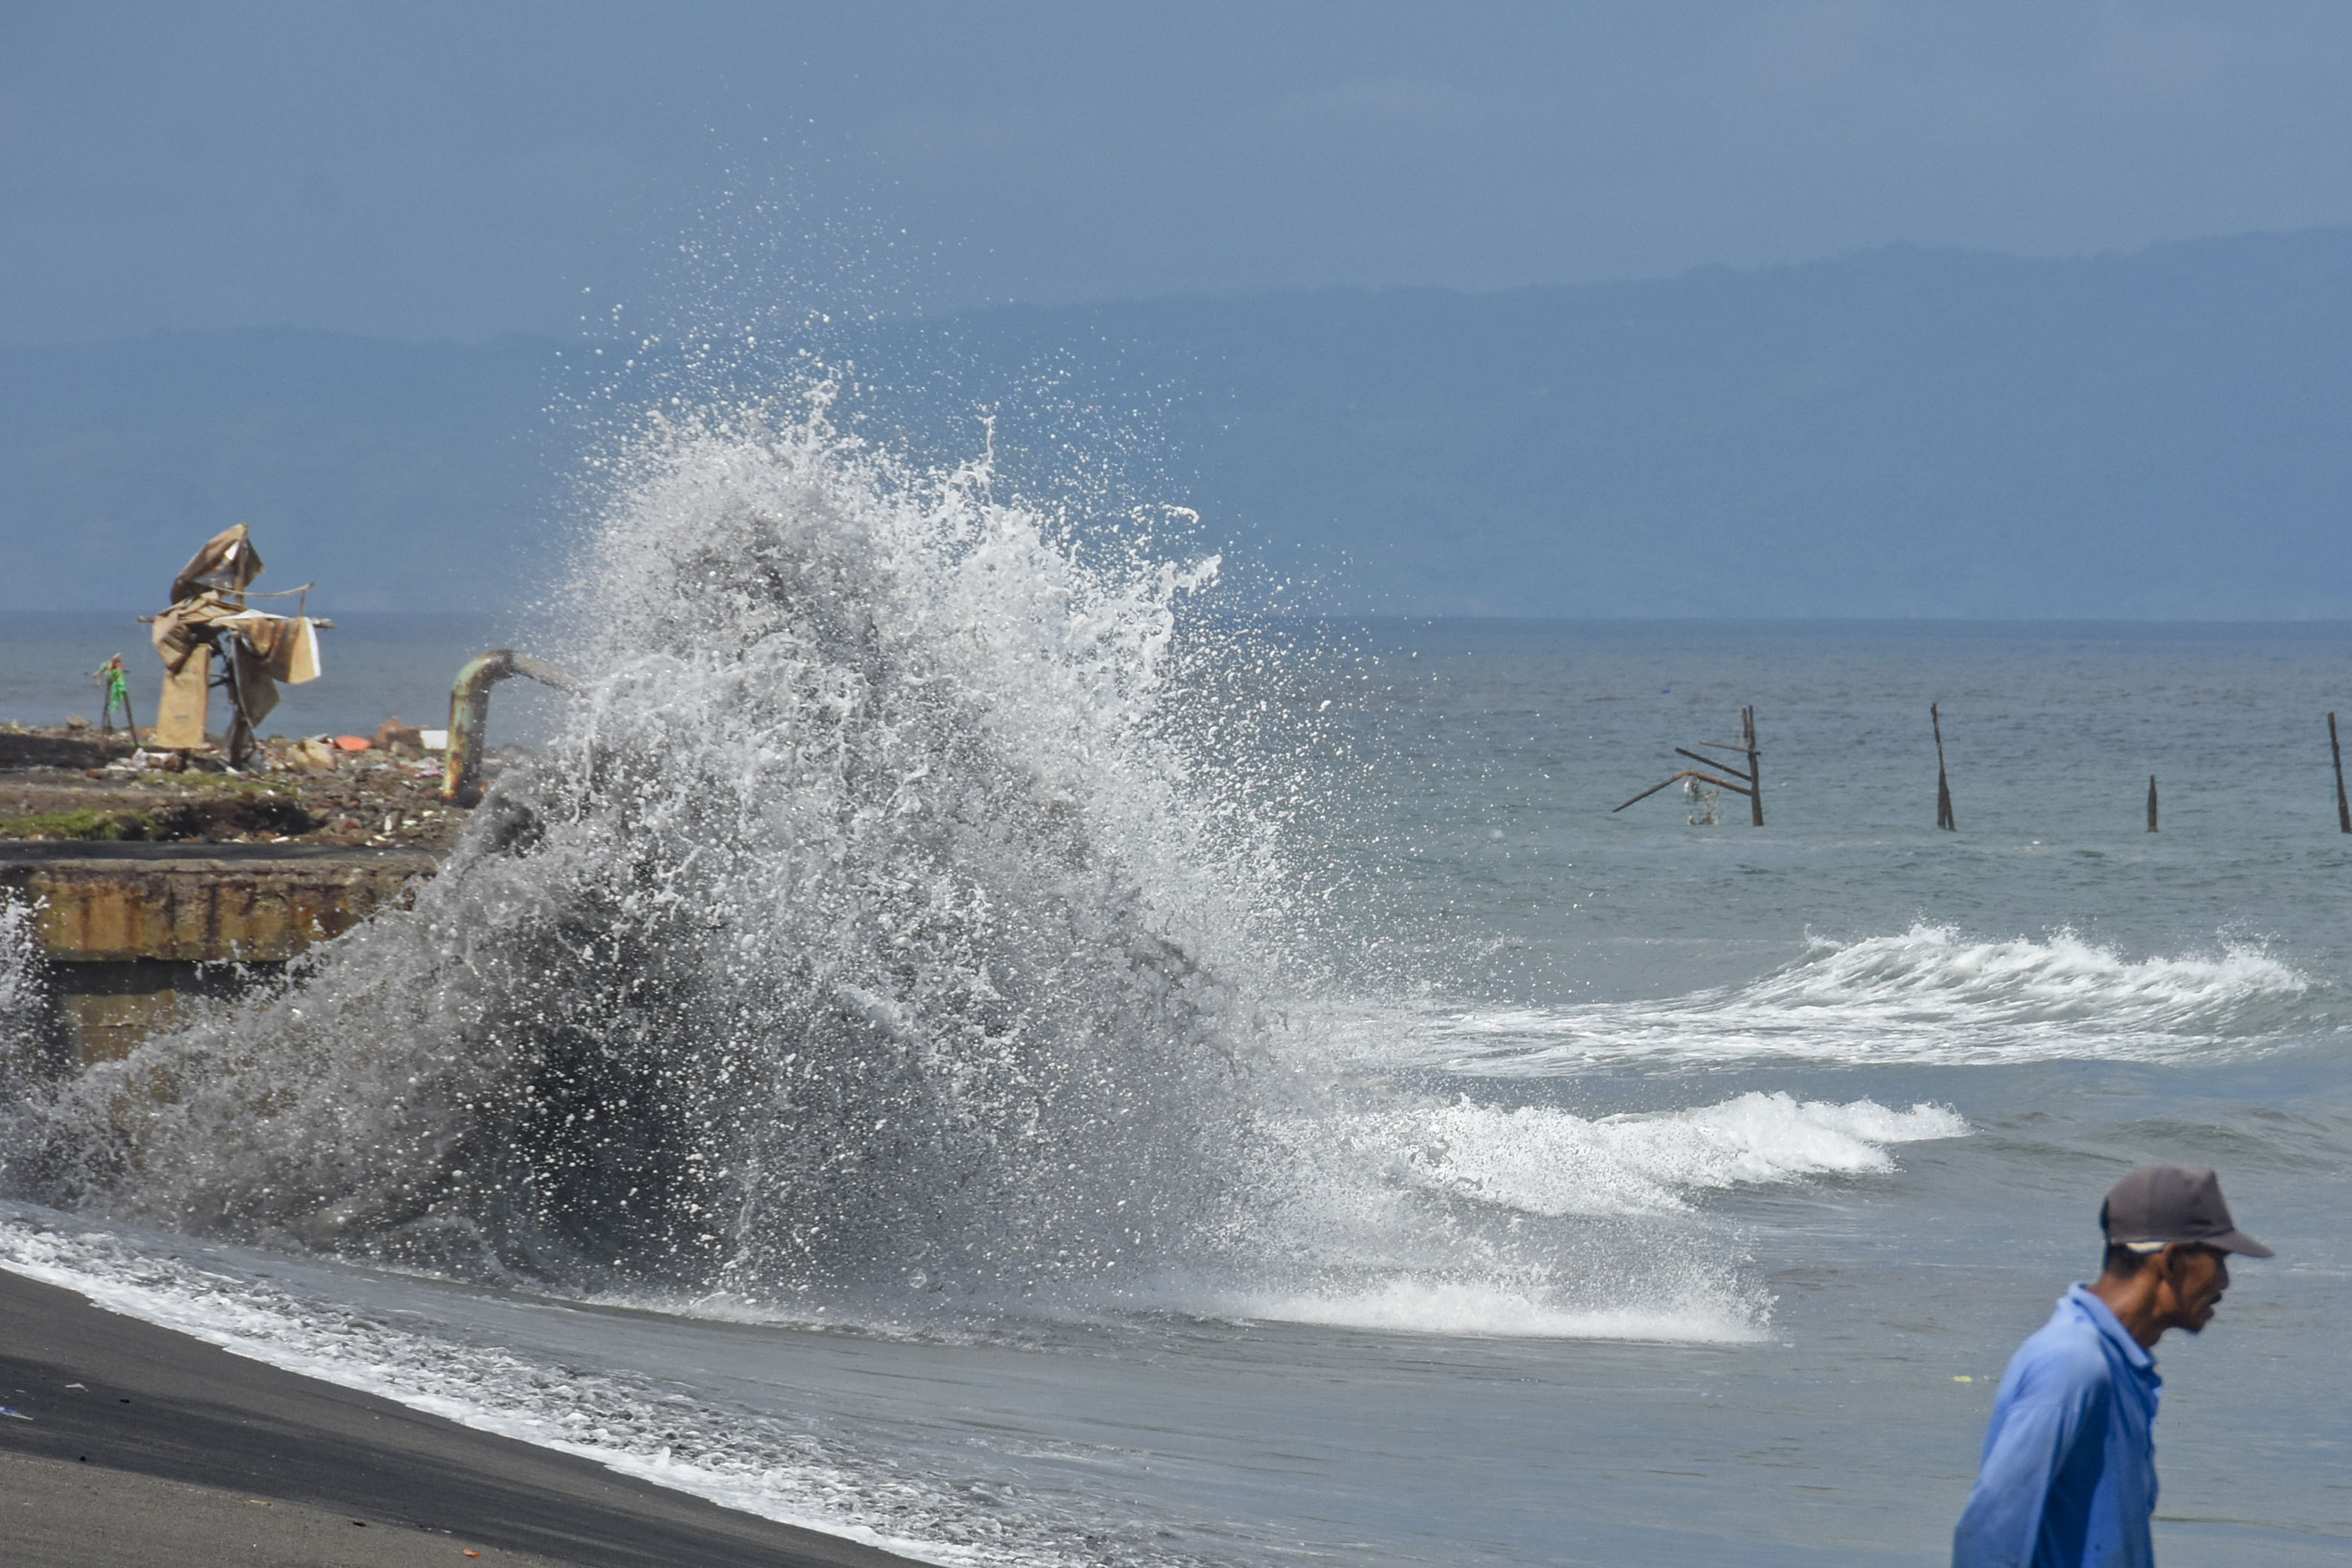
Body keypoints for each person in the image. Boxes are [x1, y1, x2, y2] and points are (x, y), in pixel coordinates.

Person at [1952, 1166, 2271, 1567]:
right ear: (2170, 1261)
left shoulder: (2119, 1364)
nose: (2224, 1281)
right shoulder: (2071, 1363)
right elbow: (1988, 1534)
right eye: (2218, 1258)